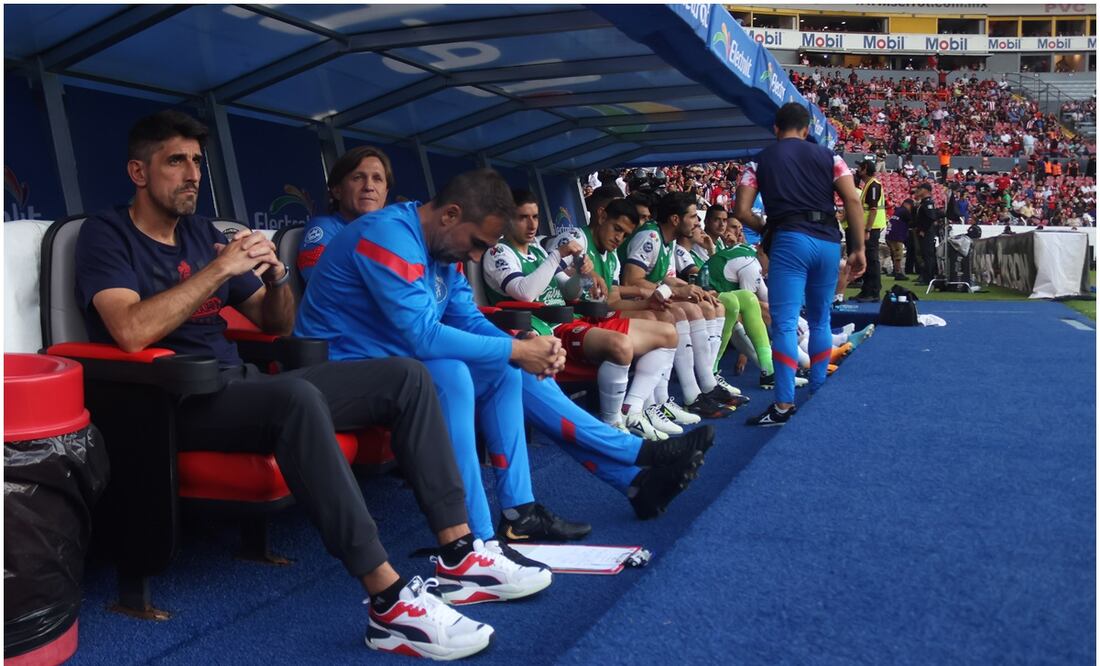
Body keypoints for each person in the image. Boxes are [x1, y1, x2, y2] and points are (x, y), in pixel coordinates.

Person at [74, 110, 510, 660]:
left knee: (408, 377)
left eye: (197, 163)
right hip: (173, 399)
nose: (191, 175)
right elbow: (130, 330)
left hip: (239, 385)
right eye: (175, 162)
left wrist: (274, 274)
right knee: (296, 395)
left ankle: (459, 550)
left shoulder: (200, 233)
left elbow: (276, 323)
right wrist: (219, 270)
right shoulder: (106, 234)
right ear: (139, 171)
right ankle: (389, 601)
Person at [295, 168, 713, 529]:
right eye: (477, 243)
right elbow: (421, 336)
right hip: (340, 372)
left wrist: (521, 345)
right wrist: (514, 352)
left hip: (396, 365)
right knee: (456, 372)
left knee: (505, 366)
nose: (476, 256)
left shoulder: (444, 244)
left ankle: (525, 513)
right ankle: (473, 538)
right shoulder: (388, 235)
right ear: (452, 214)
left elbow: (466, 317)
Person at [482, 190, 679, 442]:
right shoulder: (498, 252)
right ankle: (613, 424)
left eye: (535, 217)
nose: (532, 224)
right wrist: (558, 256)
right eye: (523, 217)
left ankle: (635, 408)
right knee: (620, 346)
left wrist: (580, 276)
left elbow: (568, 290)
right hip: (537, 331)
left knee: (668, 333)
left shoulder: (538, 252)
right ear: (507, 218)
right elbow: (524, 293)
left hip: (565, 322)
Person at [733, 102, 867, 426]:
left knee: (784, 323)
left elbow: (741, 210)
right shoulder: (830, 156)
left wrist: (769, 229)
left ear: (776, 129)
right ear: (807, 130)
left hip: (789, 240)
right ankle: (818, 390)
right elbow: (852, 199)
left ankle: (782, 405)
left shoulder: (759, 161)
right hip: (827, 241)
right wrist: (859, 248)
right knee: (821, 320)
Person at [619, 191, 740, 418]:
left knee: (704, 304)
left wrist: (692, 289)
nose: (697, 222)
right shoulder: (651, 237)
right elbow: (631, 280)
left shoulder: (668, 241)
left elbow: (663, 278)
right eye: (693, 216)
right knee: (686, 310)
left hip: (649, 298)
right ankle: (689, 395)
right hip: (630, 302)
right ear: (676, 219)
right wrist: (676, 292)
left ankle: (706, 384)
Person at [852, 160, 885, 302]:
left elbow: (872, 210)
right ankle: (866, 290)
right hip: (868, 227)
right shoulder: (869, 185)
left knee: (871, 260)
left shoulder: (873, 185)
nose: (857, 169)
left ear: (865, 169)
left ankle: (873, 291)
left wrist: (867, 229)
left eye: (860, 167)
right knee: (866, 258)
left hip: (871, 228)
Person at [913, 182, 945, 285]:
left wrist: (923, 229)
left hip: (927, 233)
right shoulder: (923, 203)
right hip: (924, 232)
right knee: (924, 254)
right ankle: (924, 276)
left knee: (928, 255)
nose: (918, 191)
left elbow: (930, 217)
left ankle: (928, 278)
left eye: (920, 189)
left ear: (926, 190)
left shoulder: (928, 203)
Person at [886, 200, 914, 280]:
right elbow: (911, 221)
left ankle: (895, 271)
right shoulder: (904, 211)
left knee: (894, 254)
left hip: (889, 235)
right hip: (896, 236)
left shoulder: (898, 211)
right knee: (898, 255)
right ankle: (898, 273)